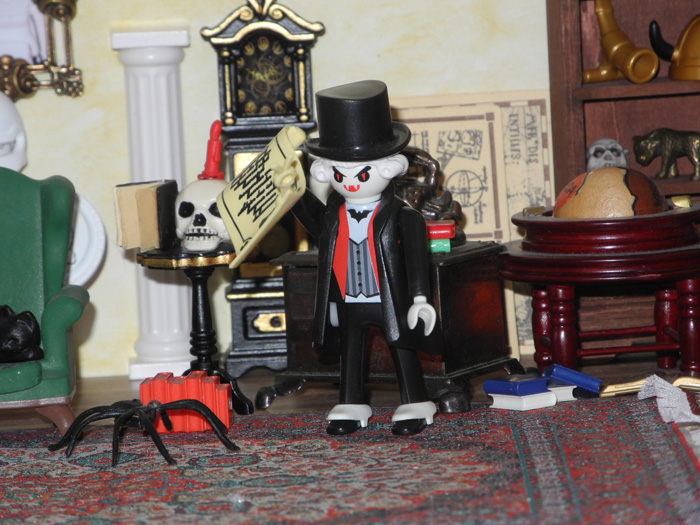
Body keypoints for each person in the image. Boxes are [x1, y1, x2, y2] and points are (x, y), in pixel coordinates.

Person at [293, 80, 438, 436]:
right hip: (349, 299)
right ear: (326, 171)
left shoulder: (404, 217)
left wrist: (420, 299)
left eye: (361, 174)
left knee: (401, 346)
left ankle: (415, 399)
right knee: (350, 352)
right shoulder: (333, 215)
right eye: (340, 174)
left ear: (388, 167)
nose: (351, 183)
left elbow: (417, 260)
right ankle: (351, 401)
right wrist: (292, 192)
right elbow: (314, 225)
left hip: (389, 297)